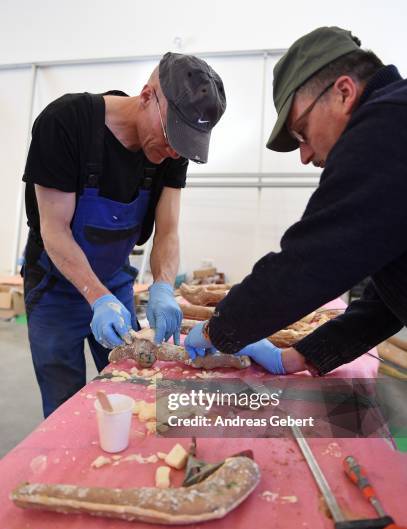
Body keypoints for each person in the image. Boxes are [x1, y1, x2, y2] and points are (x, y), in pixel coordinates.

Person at [185, 26, 407, 376]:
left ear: (344, 93)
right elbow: (390, 297)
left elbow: (314, 260)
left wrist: (222, 328)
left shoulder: (388, 123)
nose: (304, 155)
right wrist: (305, 355)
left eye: (301, 132)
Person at [23, 52, 226, 417]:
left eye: (182, 146)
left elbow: (167, 231)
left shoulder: (171, 151)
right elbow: (53, 230)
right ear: (147, 95)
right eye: (169, 137)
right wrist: (96, 297)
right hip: (55, 288)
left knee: (135, 386)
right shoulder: (65, 124)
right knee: (64, 403)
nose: (171, 153)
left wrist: (163, 286)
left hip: (115, 280)